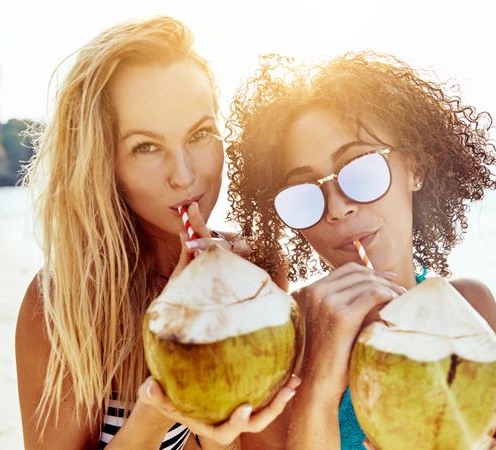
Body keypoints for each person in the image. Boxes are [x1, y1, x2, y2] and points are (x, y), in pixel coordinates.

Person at [225, 52, 496, 449]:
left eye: (360, 169)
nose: (338, 207)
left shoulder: (470, 306)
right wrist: (322, 382)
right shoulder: (278, 343)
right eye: (304, 194)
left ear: (415, 168)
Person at [16, 16, 299, 450]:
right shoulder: (61, 304)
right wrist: (161, 400)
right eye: (146, 146)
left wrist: (215, 435)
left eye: (201, 134)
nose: (185, 176)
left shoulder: (256, 277)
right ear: (104, 164)